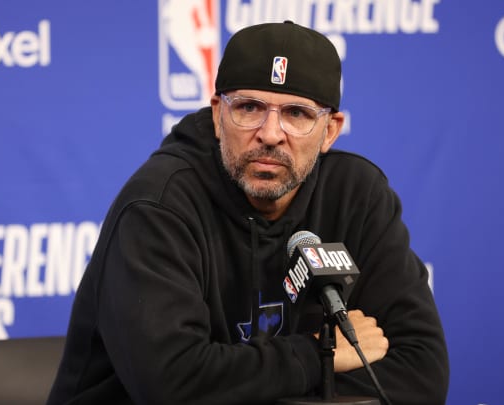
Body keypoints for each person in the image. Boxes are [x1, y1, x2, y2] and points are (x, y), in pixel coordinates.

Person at [47, 21, 449, 405]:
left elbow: (421, 372)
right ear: (219, 116)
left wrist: (241, 388)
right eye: (250, 108)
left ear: (330, 130)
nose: (271, 134)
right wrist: (317, 355)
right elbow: (171, 385)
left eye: (297, 114)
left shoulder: (357, 197)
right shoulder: (158, 206)